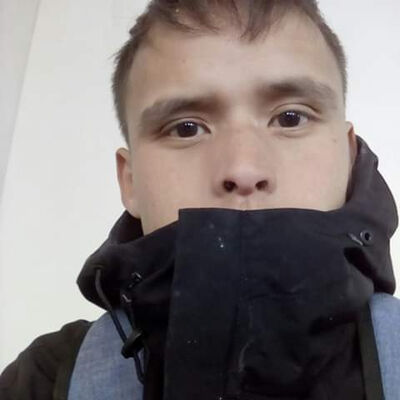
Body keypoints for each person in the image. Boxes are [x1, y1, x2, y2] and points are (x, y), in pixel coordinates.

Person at [1, 0, 399, 399]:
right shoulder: (43, 380)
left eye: (290, 118)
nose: (243, 168)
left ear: (349, 156)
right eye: (187, 128)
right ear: (130, 181)